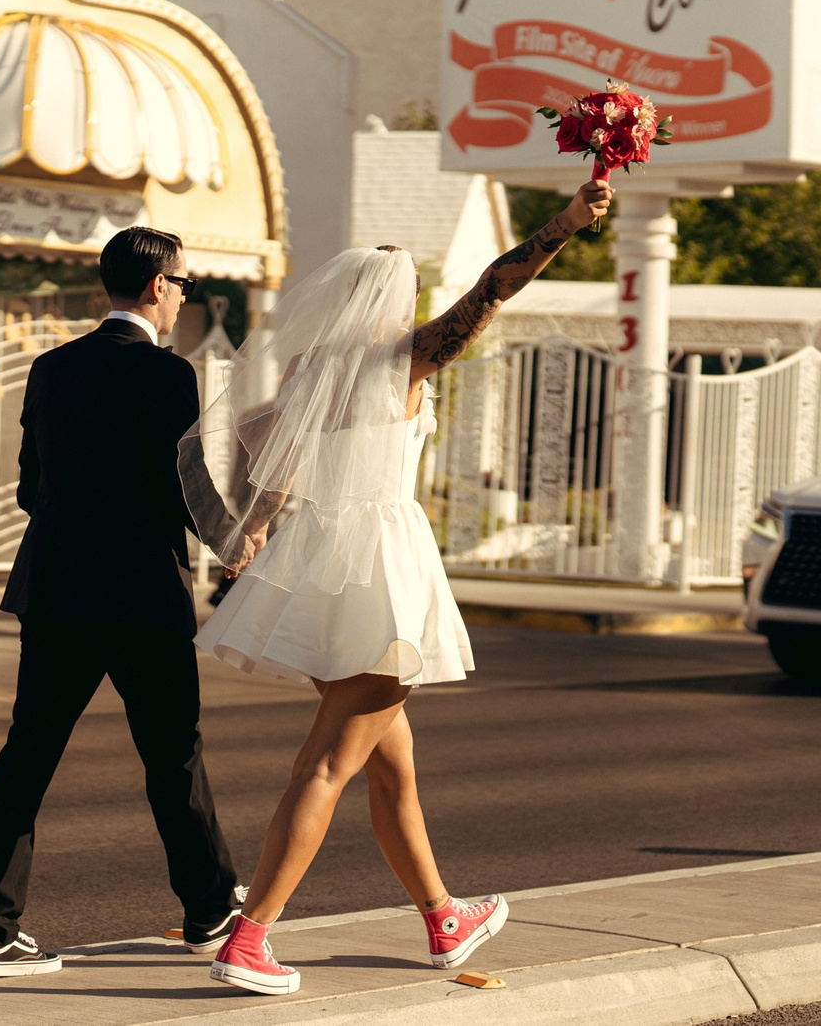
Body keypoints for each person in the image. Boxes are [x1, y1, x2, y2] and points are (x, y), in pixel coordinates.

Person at [183, 180, 612, 996]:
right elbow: (495, 286)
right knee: (329, 761)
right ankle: (251, 937)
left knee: (392, 766)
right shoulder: (407, 358)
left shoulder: (315, 368)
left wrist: (257, 531)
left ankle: (443, 914)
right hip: (380, 567)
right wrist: (565, 224)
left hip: (318, 564)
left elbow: (277, 469)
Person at [0, 225, 240, 978]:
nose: (183, 296)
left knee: (28, 755)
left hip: (55, 589)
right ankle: (211, 910)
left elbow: (30, 486)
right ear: (157, 286)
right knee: (172, 755)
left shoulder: (50, 369)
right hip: (142, 592)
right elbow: (188, 488)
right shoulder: (167, 373)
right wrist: (238, 544)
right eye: (183, 284)